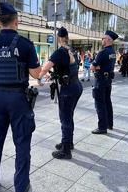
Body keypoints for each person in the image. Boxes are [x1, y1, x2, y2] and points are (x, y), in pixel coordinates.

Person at [0, 2, 41, 192]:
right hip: (18, 100)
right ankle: (21, 187)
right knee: (22, 145)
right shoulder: (25, 44)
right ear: (17, 21)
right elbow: (36, 74)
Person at [38, 27, 83, 159]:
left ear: (58, 38)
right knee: (69, 116)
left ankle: (66, 150)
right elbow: (67, 68)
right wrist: (53, 75)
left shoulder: (59, 52)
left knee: (65, 119)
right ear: (67, 37)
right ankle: (68, 143)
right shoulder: (72, 50)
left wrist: (39, 77)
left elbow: (46, 66)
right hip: (76, 86)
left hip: (68, 89)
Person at [90, 30, 117, 134]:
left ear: (108, 40)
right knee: (107, 102)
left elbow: (92, 67)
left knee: (100, 104)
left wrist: (97, 66)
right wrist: (100, 66)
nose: (102, 40)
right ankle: (109, 124)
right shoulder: (113, 52)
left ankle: (102, 127)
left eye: (103, 38)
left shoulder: (103, 52)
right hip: (108, 80)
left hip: (100, 81)